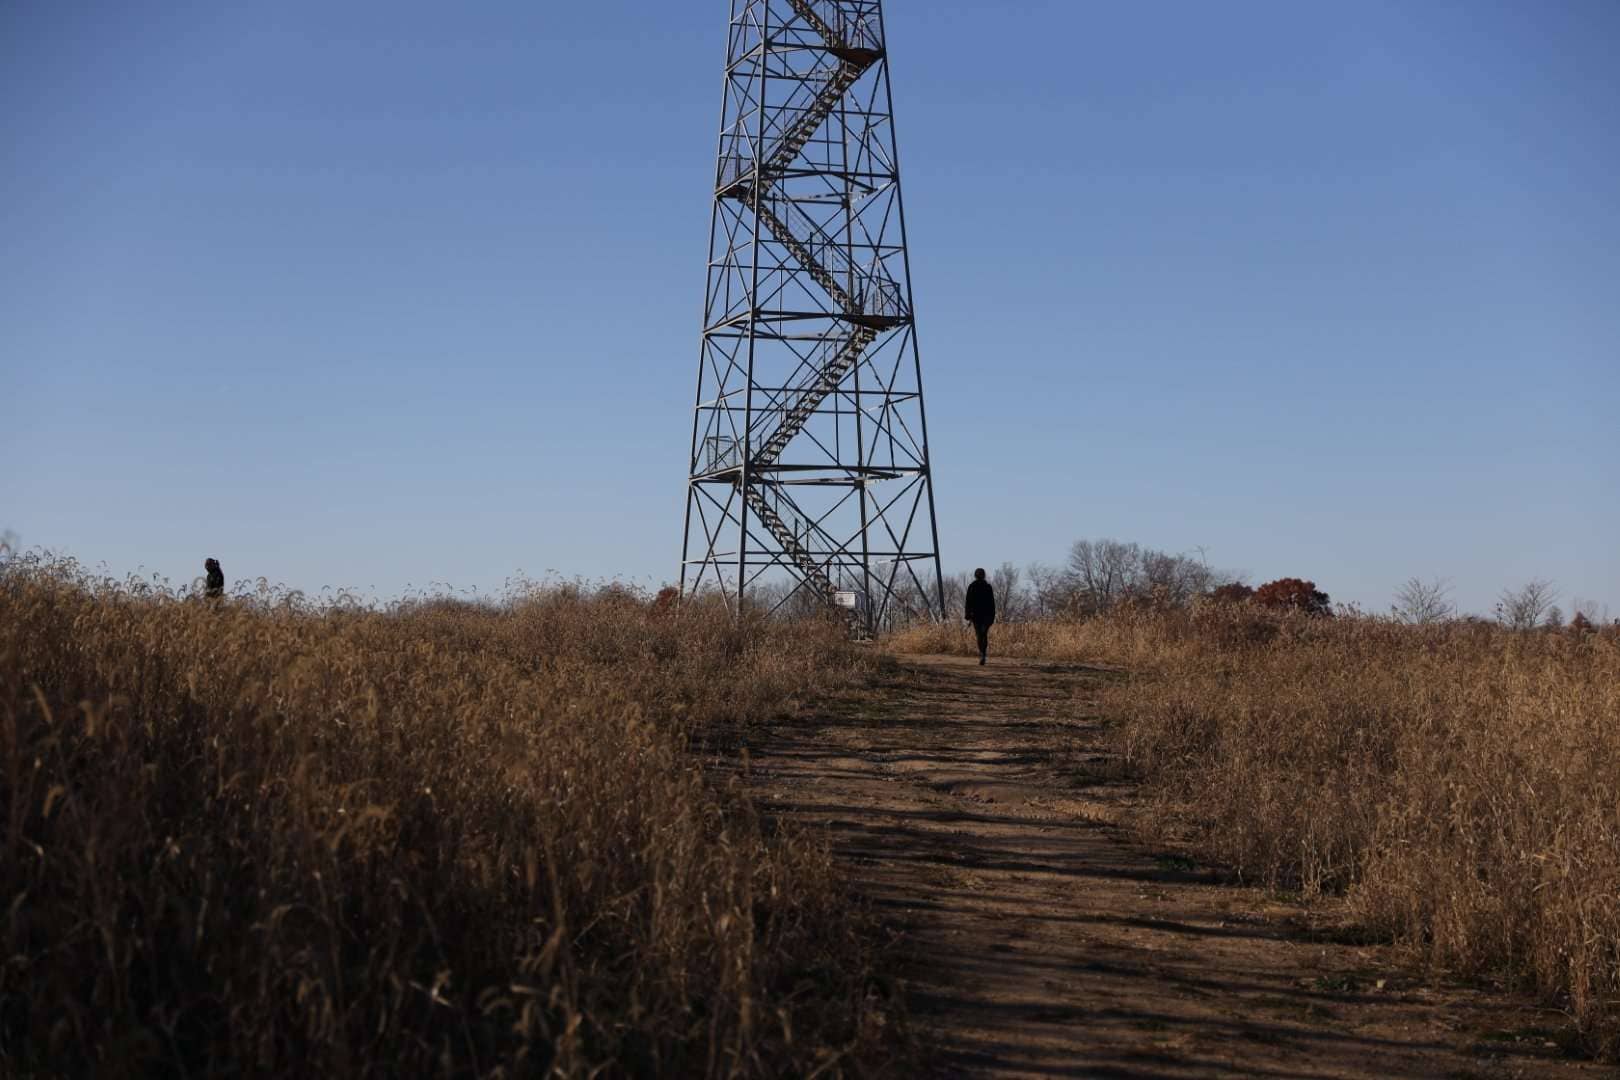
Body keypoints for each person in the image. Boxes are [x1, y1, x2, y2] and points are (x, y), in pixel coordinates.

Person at [964, 567, 995, 665]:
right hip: (987, 615)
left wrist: (967, 615)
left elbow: (968, 602)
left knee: (979, 634)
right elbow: (992, 603)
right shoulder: (988, 587)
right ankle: (983, 654)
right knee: (984, 634)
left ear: (975, 575)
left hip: (976, 615)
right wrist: (992, 616)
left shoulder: (972, 586)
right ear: (984, 575)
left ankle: (982, 654)